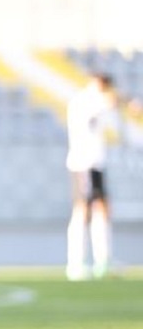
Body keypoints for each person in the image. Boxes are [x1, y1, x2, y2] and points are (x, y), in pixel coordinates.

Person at [65, 72, 120, 281]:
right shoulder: (83, 101)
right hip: (83, 163)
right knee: (82, 210)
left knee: (102, 209)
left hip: (96, 163)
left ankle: (103, 259)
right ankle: (76, 263)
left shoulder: (98, 101)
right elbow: (108, 104)